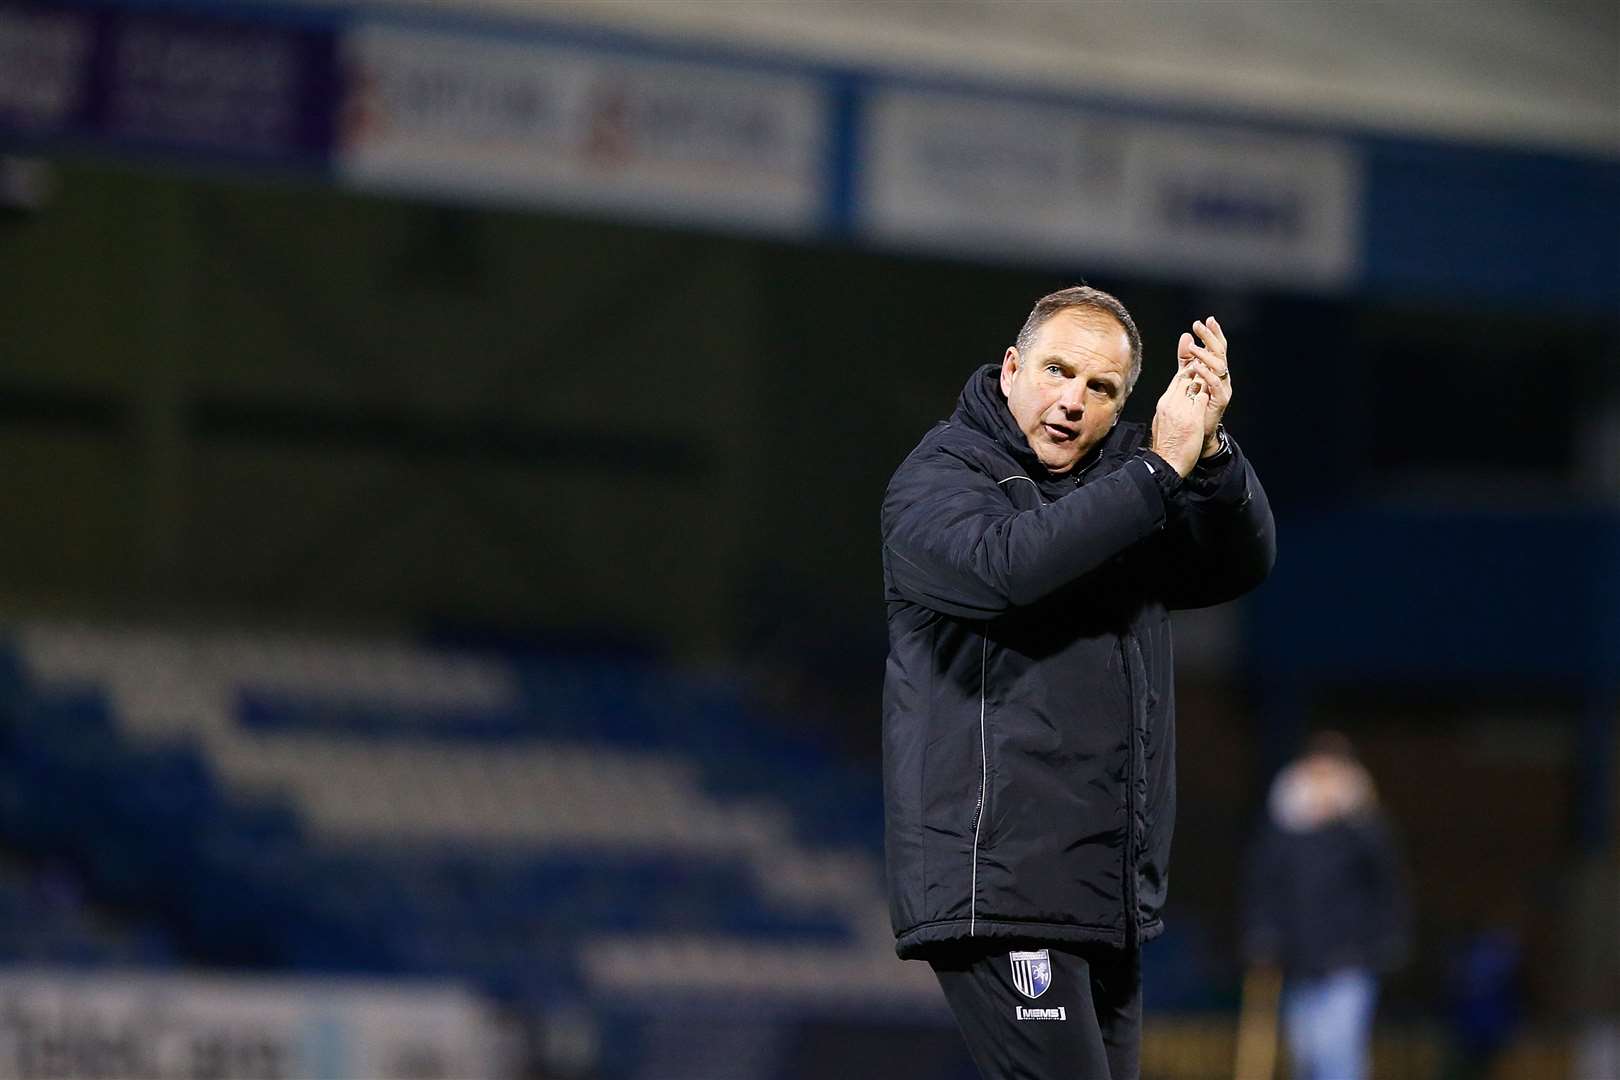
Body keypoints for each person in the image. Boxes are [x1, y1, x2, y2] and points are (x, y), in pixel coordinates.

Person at [880, 285, 1276, 1079]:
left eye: (1100, 389)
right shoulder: (939, 478)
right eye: (1057, 372)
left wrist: (1214, 448)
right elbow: (1011, 568)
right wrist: (1161, 467)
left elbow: (1240, 561)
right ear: (1011, 368)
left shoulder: (1130, 482)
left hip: (1102, 893)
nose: (1072, 401)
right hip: (1000, 885)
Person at [1242, 732, 1411, 1080]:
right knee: (1307, 1054)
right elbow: (1263, 887)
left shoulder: (1363, 830)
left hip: (1349, 960)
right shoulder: (1285, 830)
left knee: (1337, 1054)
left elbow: (1388, 886)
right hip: (1299, 962)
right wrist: (1262, 935)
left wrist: (1387, 943)